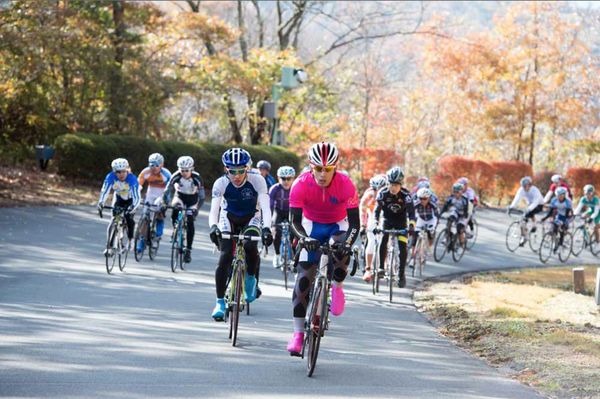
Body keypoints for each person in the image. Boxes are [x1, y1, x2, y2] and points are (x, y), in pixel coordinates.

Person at [286, 142, 359, 355]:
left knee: (341, 247)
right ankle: (298, 334)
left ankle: (337, 285)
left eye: (328, 169)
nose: (322, 174)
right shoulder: (300, 184)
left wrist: (347, 244)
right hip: (310, 225)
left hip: (338, 224)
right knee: (304, 278)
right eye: (318, 168)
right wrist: (303, 238)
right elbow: (294, 222)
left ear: (335, 167)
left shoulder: (346, 184)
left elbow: (355, 225)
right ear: (311, 166)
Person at [209, 148, 273, 321]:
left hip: (251, 216)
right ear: (226, 169)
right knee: (224, 257)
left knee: (250, 245)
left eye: (240, 171)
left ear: (248, 168)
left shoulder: (258, 180)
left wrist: (267, 228)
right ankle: (220, 302)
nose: (236, 176)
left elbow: (266, 208)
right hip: (228, 217)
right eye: (232, 171)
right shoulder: (221, 183)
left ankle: (251, 279)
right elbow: (214, 210)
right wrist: (213, 227)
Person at [373, 166, 415, 289]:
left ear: (401, 185)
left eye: (396, 185)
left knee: (403, 248)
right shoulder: (383, 193)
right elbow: (377, 211)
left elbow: (412, 213)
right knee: (383, 239)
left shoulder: (406, 195)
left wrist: (411, 225)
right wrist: (376, 223)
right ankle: (381, 267)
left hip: (401, 222)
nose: (393, 187)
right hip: (387, 220)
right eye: (391, 184)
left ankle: (401, 274)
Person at [159, 156, 205, 264]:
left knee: (189, 221)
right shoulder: (176, 176)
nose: (184, 172)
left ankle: (188, 249)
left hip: (192, 200)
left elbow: (202, 197)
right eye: (181, 170)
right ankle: (176, 226)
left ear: (192, 169)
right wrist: (164, 203)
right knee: (176, 208)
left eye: (186, 170)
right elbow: (167, 191)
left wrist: (196, 209)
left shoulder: (197, 178)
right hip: (180, 197)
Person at [97, 158, 140, 254]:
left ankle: (130, 239)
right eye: (118, 172)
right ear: (114, 172)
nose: (121, 174)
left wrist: (133, 207)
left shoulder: (132, 179)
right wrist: (101, 203)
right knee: (113, 219)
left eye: (124, 171)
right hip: (119, 199)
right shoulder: (110, 177)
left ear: (127, 170)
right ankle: (109, 246)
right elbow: (105, 191)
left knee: (129, 218)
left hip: (131, 200)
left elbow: (137, 196)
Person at [137, 153, 172, 252]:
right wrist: (136, 196)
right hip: (151, 193)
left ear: (162, 165)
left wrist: (164, 201)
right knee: (145, 215)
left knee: (159, 212)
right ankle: (142, 240)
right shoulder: (145, 172)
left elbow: (169, 188)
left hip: (162, 194)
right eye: (152, 165)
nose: (154, 167)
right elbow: (138, 185)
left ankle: (158, 234)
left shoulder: (166, 174)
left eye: (157, 165)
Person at [359, 174, 387, 282]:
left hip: (385, 217)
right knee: (371, 242)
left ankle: (384, 264)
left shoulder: (388, 194)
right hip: (372, 216)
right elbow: (362, 211)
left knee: (384, 241)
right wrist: (363, 225)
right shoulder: (369, 195)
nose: (377, 192)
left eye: (380, 189)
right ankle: (368, 270)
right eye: (375, 189)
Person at [269, 165, 296, 268]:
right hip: (278, 212)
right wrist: (271, 223)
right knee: (277, 233)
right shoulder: (274, 189)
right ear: (278, 178)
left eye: (289, 178)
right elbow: (270, 206)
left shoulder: (296, 188)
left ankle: (294, 258)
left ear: (293, 178)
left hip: (291, 211)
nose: (286, 181)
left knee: (294, 234)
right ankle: (277, 255)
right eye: (283, 178)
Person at [507, 176, 545, 245]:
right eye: (523, 186)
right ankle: (524, 236)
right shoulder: (521, 189)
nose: (524, 188)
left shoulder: (535, 190)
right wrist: (511, 206)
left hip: (539, 204)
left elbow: (536, 202)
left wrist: (529, 209)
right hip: (530, 204)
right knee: (523, 221)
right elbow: (517, 198)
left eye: (526, 186)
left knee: (529, 213)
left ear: (530, 185)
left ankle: (534, 225)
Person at [541, 186, 573, 252]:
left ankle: (560, 245)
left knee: (562, 229)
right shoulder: (554, 200)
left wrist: (564, 223)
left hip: (568, 216)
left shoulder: (568, 201)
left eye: (562, 195)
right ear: (556, 195)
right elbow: (551, 211)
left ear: (564, 195)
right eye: (558, 195)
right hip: (560, 215)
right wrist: (545, 218)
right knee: (554, 227)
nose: (560, 197)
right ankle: (555, 243)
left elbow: (568, 214)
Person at [411, 187, 439, 256]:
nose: (422, 201)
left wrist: (435, 226)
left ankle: (429, 247)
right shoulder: (416, 203)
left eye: (425, 199)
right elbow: (410, 212)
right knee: (415, 234)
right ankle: (412, 255)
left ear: (429, 198)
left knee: (430, 233)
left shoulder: (433, 204)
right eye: (420, 198)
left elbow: (437, 215)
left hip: (431, 219)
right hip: (421, 219)